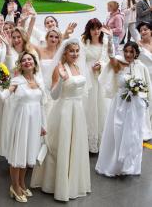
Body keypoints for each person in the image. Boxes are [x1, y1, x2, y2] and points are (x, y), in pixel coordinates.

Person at [31, 38, 91, 202]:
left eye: (77, 51)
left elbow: (82, 90)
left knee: (75, 145)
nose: (75, 54)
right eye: (72, 51)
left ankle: (73, 182)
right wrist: (62, 80)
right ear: (64, 52)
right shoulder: (59, 68)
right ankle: (56, 184)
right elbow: (54, 95)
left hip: (77, 111)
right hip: (64, 110)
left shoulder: (78, 66)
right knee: (61, 146)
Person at [0, 52, 46, 203]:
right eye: (24, 60)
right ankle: (15, 186)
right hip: (21, 122)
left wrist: (43, 124)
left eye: (29, 59)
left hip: (34, 122)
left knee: (27, 153)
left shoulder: (38, 80)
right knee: (18, 154)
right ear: (20, 64)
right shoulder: (16, 81)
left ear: (34, 63)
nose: (27, 62)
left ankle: (22, 183)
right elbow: (4, 97)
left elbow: (41, 105)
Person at [96, 41, 151, 176]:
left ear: (136, 53)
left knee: (134, 135)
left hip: (135, 107)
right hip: (120, 105)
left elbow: (147, 86)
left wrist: (145, 103)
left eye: (131, 51)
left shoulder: (141, 67)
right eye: (126, 51)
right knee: (117, 133)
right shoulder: (119, 64)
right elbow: (110, 55)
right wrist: (109, 39)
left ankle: (130, 165)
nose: (128, 54)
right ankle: (114, 166)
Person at [81, 18, 109, 153]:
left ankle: (100, 141)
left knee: (101, 108)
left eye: (98, 28)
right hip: (88, 79)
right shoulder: (84, 43)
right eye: (93, 29)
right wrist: (88, 69)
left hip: (102, 79)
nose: (96, 31)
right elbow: (79, 61)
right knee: (89, 108)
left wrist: (102, 65)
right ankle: (88, 141)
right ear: (89, 30)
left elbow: (111, 60)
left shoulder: (105, 43)